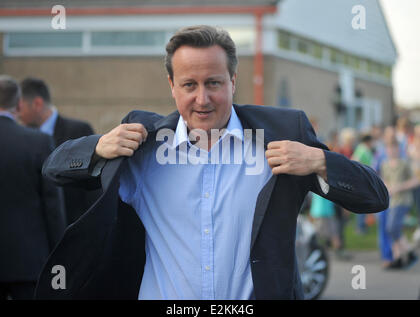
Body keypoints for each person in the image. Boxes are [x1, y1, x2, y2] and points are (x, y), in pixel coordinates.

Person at [35, 25, 388, 300]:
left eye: (214, 83)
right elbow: (54, 169)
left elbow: (374, 197)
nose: (202, 99)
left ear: (233, 82)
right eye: (189, 84)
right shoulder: (141, 144)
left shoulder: (283, 133)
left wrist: (320, 160)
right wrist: (98, 147)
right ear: (172, 86)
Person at [0, 75, 66, 300]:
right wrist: (60, 255)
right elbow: (52, 207)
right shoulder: (37, 142)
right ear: (18, 105)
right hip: (28, 262)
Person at [17, 77, 97, 225]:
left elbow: (92, 183)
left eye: (19, 107)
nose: (17, 113)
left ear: (37, 104)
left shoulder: (79, 130)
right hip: (38, 230)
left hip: (74, 226)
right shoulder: (21, 138)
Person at [381, 139, 418, 268]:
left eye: (394, 148)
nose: (392, 151)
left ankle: (409, 252)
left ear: (398, 149)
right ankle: (398, 258)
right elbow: (384, 180)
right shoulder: (384, 164)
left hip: (403, 200)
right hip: (391, 201)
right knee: (391, 229)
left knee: (392, 227)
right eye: (389, 148)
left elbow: (415, 181)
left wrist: (399, 187)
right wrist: (388, 187)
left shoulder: (404, 164)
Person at [352, 133, 375, 234]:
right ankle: (360, 227)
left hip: (366, 179)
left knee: (365, 203)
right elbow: (355, 161)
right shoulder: (362, 149)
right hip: (362, 179)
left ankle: (363, 226)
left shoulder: (363, 149)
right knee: (362, 203)